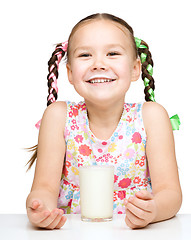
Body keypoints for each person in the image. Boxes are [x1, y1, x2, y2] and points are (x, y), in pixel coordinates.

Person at [26, 13, 182, 230]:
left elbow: (171, 194)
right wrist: (40, 208)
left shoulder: (152, 117)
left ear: (135, 68)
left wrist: (154, 210)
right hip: (74, 233)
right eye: (85, 55)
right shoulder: (58, 116)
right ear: (70, 73)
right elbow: (44, 188)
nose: (99, 64)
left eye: (113, 53)